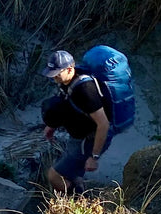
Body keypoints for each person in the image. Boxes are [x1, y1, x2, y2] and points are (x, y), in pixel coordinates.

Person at [41, 49, 111, 195]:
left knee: (54, 177)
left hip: (89, 141)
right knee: (72, 173)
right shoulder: (68, 80)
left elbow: (103, 124)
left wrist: (94, 157)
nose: (54, 78)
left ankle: (75, 203)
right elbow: (66, 103)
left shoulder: (85, 90)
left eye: (57, 74)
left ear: (69, 69)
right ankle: (77, 189)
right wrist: (51, 126)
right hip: (79, 136)